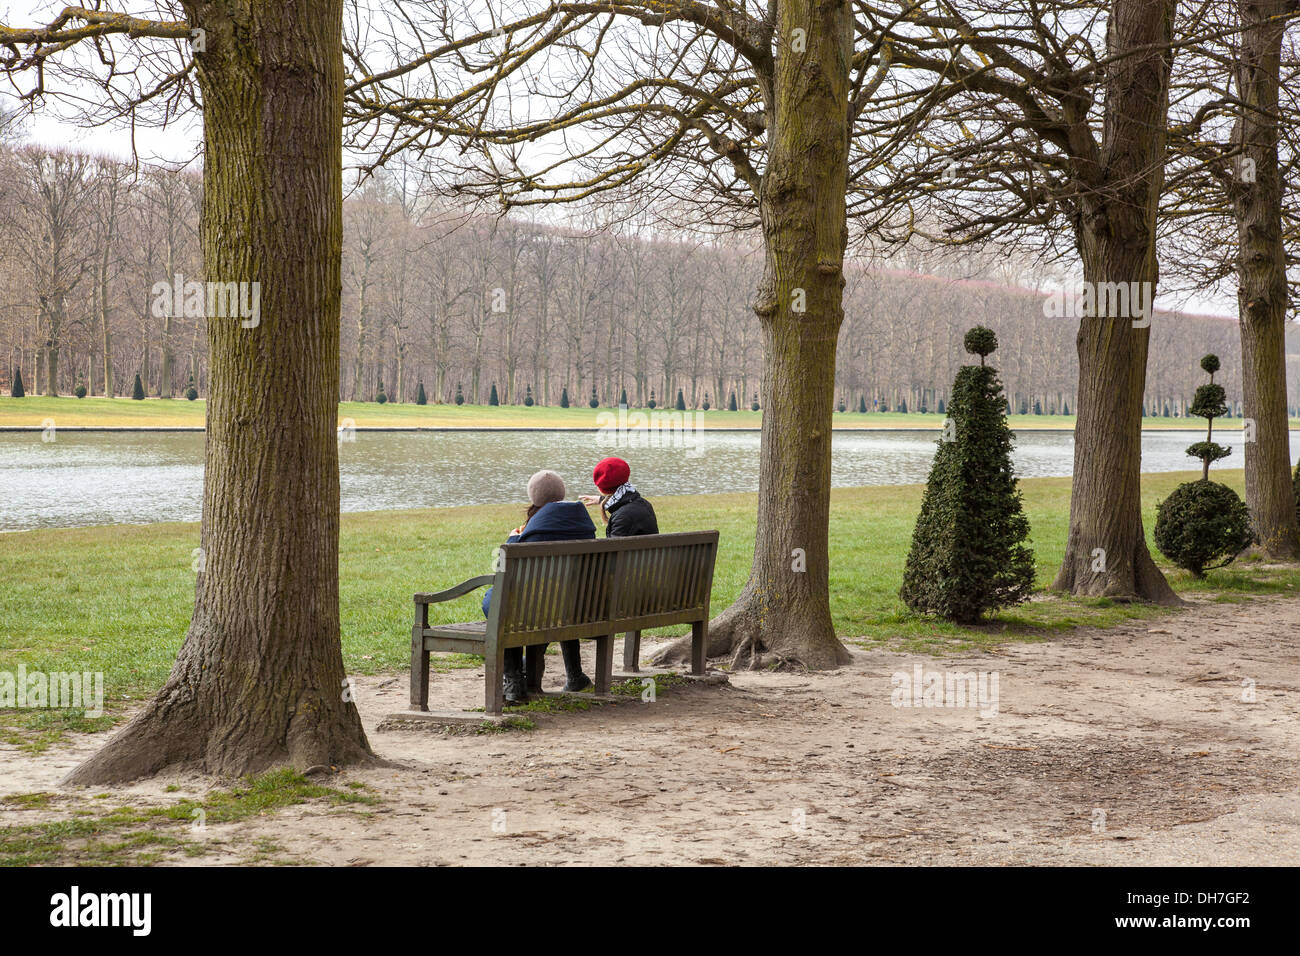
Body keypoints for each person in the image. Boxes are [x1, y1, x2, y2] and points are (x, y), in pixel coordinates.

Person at [483, 469, 596, 704]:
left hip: (536, 609)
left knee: (497, 603)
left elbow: (506, 572)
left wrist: (513, 540)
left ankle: (513, 681)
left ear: (533, 496)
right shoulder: (584, 524)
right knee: (545, 602)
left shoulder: (535, 532)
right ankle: (573, 675)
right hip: (575, 607)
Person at [579, 456, 658, 537]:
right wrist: (601, 499)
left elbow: (613, 548)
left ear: (601, 488)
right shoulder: (643, 504)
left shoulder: (622, 517)